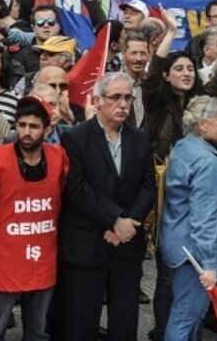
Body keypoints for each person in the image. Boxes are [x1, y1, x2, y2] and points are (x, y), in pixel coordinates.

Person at [56, 72, 156, 341]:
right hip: (87, 244)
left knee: (124, 321)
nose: (123, 104)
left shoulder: (140, 138)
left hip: (127, 244)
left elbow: (148, 186)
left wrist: (127, 224)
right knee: (81, 321)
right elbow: (77, 188)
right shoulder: (75, 138)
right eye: (116, 97)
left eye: (128, 98)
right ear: (97, 100)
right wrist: (115, 220)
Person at [0, 95, 68, 341]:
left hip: (43, 257)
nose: (26, 132)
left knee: (38, 332)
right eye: (22, 125)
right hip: (4, 259)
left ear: (47, 130)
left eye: (34, 126)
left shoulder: (59, 158)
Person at [159, 96, 217, 340]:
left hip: (181, 246)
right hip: (195, 256)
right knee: (186, 317)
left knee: (189, 316)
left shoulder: (184, 146)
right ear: (202, 125)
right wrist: (209, 265)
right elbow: (205, 219)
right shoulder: (208, 162)